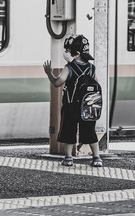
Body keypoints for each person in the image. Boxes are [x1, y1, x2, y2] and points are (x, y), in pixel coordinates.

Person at [43, 35, 103, 167]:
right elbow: (96, 85)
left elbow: (57, 83)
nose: (66, 52)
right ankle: (96, 158)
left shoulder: (69, 67)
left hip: (70, 106)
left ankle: (68, 158)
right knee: (90, 132)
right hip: (87, 106)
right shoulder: (91, 68)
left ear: (76, 54)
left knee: (69, 131)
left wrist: (49, 73)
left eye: (68, 50)